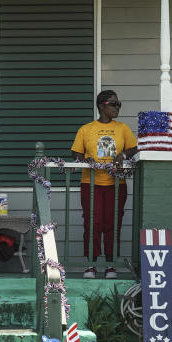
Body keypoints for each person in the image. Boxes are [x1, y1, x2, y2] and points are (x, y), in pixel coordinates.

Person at [70, 90, 138, 279]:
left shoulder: (122, 128)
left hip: (117, 184)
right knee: (93, 223)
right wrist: (86, 159)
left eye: (118, 104)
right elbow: (75, 153)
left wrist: (123, 155)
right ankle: (91, 265)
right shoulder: (86, 129)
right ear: (102, 106)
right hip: (90, 184)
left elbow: (133, 148)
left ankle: (110, 265)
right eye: (113, 104)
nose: (117, 107)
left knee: (113, 224)